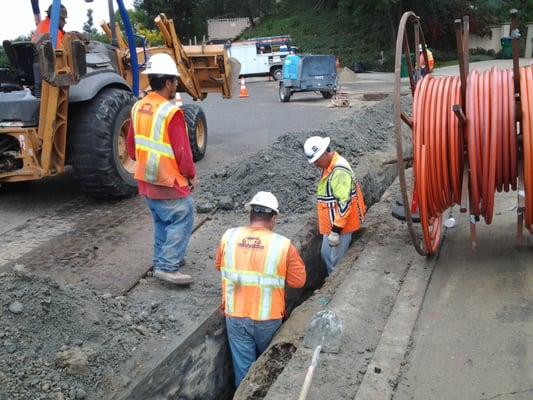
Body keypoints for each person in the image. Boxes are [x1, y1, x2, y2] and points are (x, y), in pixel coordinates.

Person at [215, 191, 306, 387]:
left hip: (236, 316)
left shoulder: (228, 237)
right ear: (273, 217)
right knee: (268, 369)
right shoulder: (282, 245)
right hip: (268, 319)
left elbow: (219, 266)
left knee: (244, 371)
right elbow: (298, 282)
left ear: (251, 215)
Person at [126, 53, 197, 286]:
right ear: (168, 83)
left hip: (146, 179)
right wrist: (190, 176)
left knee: (161, 221)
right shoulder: (170, 112)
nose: (177, 85)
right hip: (167, 180)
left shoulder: (138, 107)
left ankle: (161, 260)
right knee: (182, 216)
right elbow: (183, 153)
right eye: (175, 81)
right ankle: (168, 266)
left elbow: (132, 147)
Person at [303, 136, 366, 275]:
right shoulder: (329, 166)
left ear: (325, 153)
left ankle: (333, 287)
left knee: (335, 261)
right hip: (331, 225)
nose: (315, 164)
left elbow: (345, 203)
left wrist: (336, 231)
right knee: (326, 255)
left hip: (341, 226)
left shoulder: (339, 172)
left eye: (317, 160)